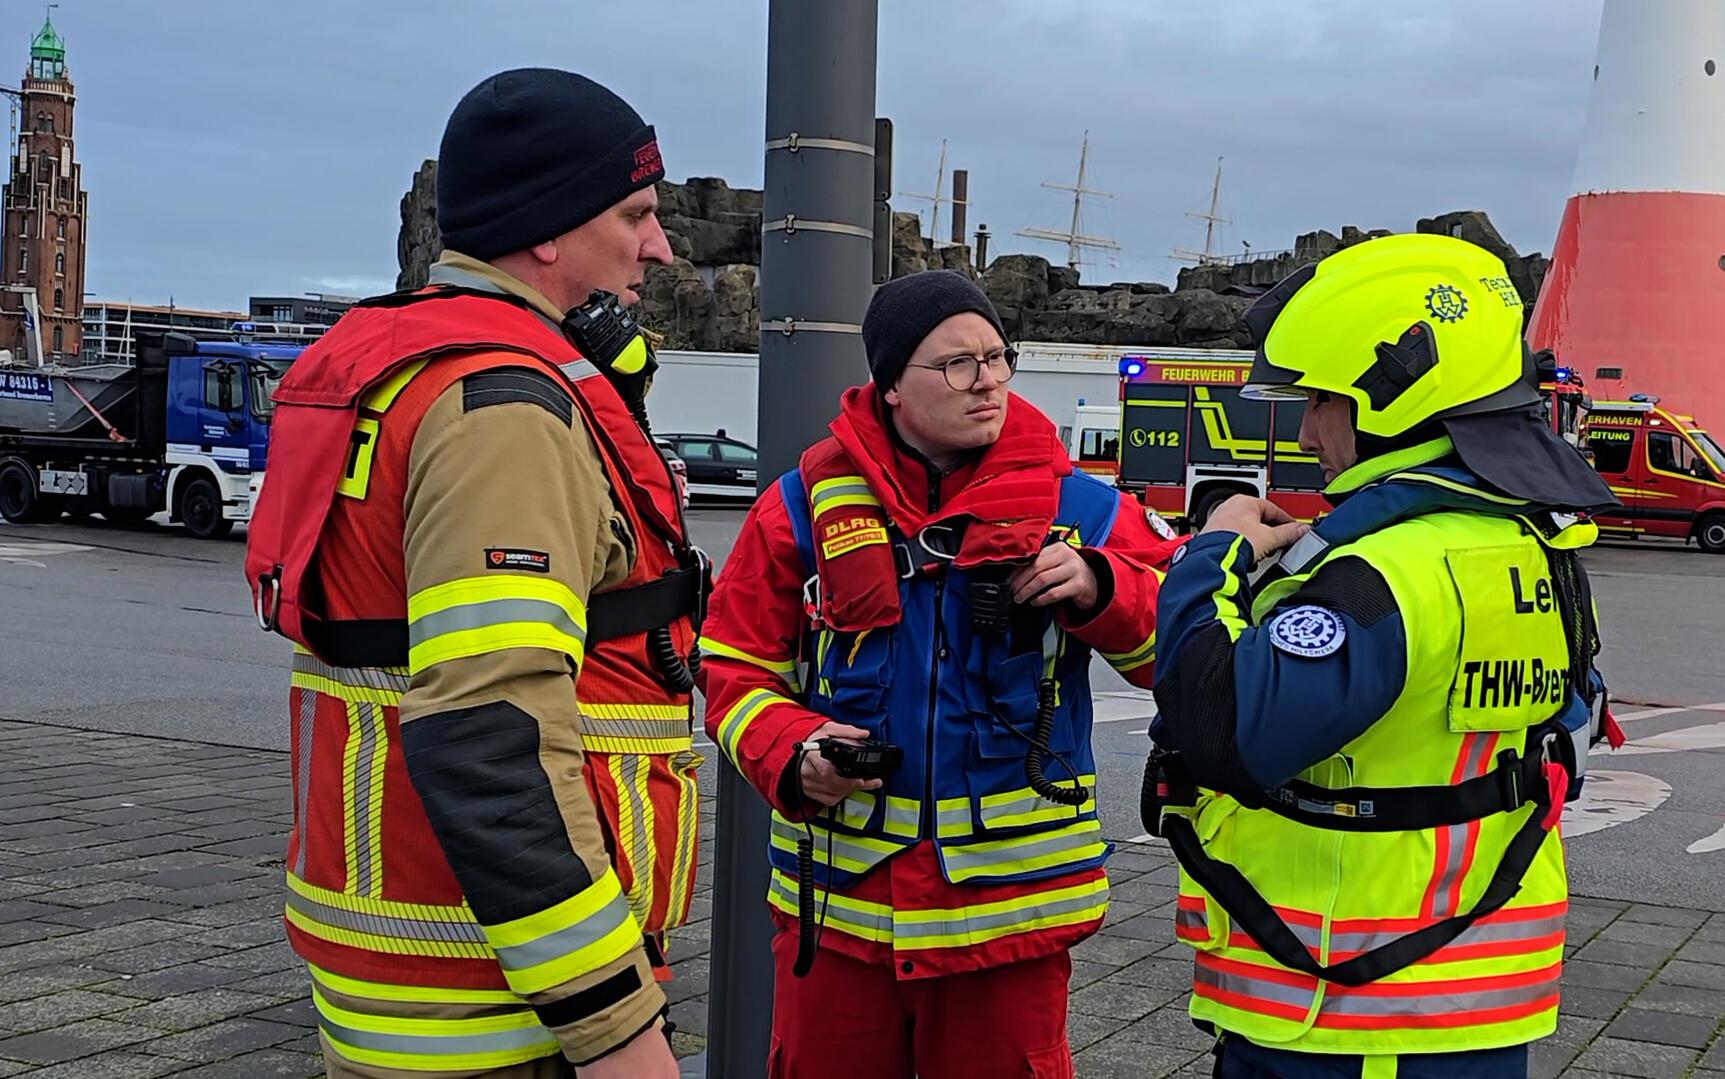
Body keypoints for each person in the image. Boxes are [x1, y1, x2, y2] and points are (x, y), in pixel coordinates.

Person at [245, 68, 702, 1078]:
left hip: (409, 967)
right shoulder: (502, 411)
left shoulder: (401, 361)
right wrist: (618, 1027)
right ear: (547, 228)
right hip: (504, 1006)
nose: (658, 246)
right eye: (634, 213)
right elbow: (489, 738)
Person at [1144, 234, 1623, 1079]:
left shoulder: (1383, 572)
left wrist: (1208, 558)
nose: (1304, 427)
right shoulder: (1534, 543)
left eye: (1321, 399)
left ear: (1390, 400)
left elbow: (1221, 732)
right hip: (1463, 1001)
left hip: (1347, 1014)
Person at [698, 270, 1181, 1079]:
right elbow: (733, 667)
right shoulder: (799, 508)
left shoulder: (1083, 509)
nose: (987, 379)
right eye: (958, 363)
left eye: (997, 356)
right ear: (890, 386)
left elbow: (1180, 655)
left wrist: (1105, 588)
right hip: (842, 918)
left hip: (1010, 928)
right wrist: (794, 750)